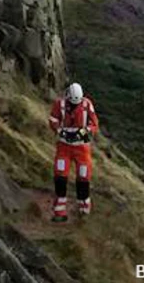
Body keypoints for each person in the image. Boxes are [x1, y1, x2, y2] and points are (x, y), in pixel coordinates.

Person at [48, 81, 99, 221]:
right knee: (60, 176)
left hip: (82, 148)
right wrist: (60, 131)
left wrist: (82, 133)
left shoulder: (87, 105)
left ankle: (84, 210)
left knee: (83, 177)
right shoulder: (60, 104)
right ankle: (59, 211)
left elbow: (94, 124)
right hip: (64, 147)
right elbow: (53, 119)